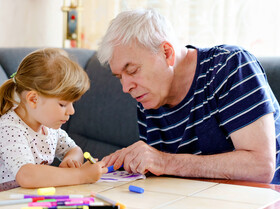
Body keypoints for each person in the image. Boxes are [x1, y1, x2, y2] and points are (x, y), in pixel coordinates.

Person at [97, 8, 280, 184]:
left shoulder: (230, 66)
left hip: (263, 205)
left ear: (166, 53)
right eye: (120, 77)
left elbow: (261, 167)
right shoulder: (148, 98)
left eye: (133, 70)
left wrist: (164, 162)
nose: (126, 87)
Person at [0, 48, 106, 190]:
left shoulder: (48, 127)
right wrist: (80, 175)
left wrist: (71, 161)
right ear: (33, 99)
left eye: (72, 103)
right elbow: (27, 176)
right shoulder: (9, 130)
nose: (71, 111)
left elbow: (74, 150)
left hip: (20, 202)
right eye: (63, 104)